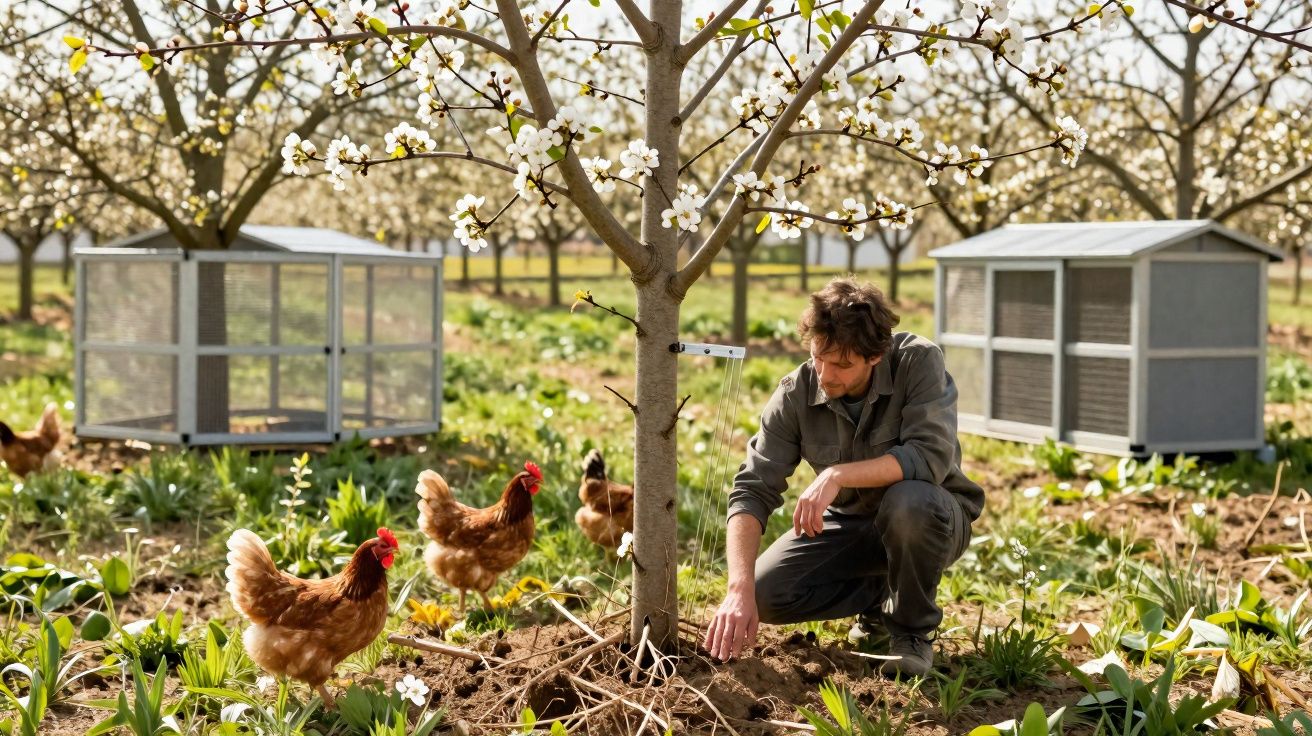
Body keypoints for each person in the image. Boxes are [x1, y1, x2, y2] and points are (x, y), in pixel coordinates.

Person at [703, 277, 984, 677]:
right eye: (819, 357)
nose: (826, 375)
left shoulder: (918, 362)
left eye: (842, 365)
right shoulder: (796, 393)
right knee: (764, 594)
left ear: (876, 355)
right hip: (851, 524)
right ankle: (879, 597)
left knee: (909, 502)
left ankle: (911, 634)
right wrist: (738, 588)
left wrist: (836, 474)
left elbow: (930, 456)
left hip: (932, 517)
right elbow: (752, 488)